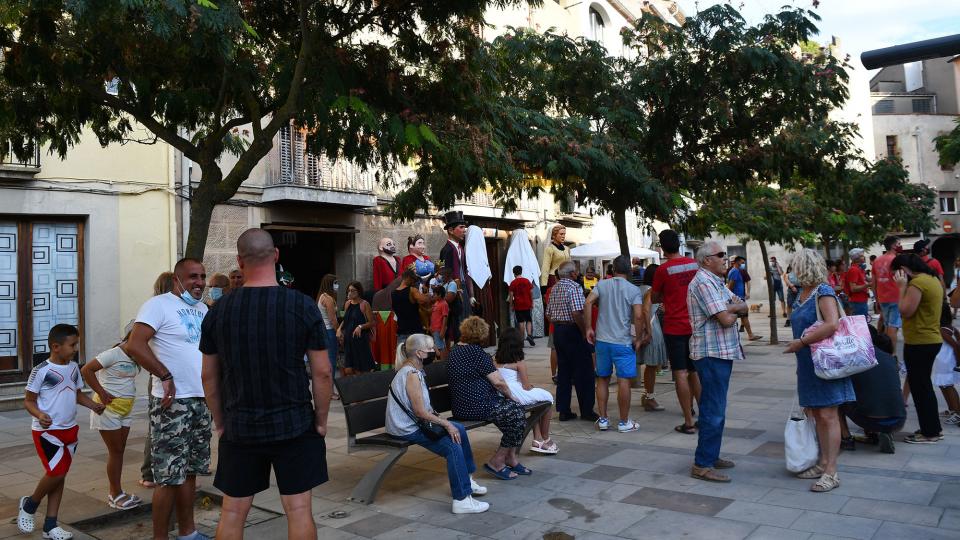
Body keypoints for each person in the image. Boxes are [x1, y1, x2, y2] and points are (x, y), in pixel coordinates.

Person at [200, 228, 332, 539]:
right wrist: (322, 421)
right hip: (295, 423)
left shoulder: (219, 311)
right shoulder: (302, 306)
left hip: (240, 424)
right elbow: (323, 372)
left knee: (233, 511)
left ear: (239, 261)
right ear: (276, 256)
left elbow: (208, 376)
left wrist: (220, 422)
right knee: (299, 510)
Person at [127, 258, 212, 540]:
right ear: (177, 279)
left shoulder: (203, 309)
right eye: (192, 277)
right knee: (167, 476)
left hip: (200, 400)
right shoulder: (158, 305)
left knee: (190, 471)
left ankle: (188, 532)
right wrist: (164, 375)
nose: (199, 282)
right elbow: (135, 344)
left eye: (202, 276)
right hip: (171, 404)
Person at [18, 324, 105, 539]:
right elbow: (28, 401)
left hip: (70, 430)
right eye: (72, 345)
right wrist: (39, 415)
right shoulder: (41, 371)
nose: (75, 348)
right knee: (56, 472)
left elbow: (76, 394)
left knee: (60, 475)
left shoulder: (74, 368)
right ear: (56, 347)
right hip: (47, 432)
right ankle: (29, 505)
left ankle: (50, 525)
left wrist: (93, 405)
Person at [387, 334, 489, 513]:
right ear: (419, 353)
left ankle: (467, 479)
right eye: (431, 348)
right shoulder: (410, 374)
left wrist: (444, 421)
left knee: (459, 430)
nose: (435, 351)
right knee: (453, 445)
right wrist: (445, 424)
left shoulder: (415, 370)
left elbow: (421, 409)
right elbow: (419, 412)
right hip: (406, 428)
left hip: (413, 423)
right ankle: (462, 499)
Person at [783, 249, 854, 492]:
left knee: (828, 415)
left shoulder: (823, 291)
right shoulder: (801, 294)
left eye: (795, 267)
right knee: (817, 414)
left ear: (804, 267)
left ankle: (831, 472)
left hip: (826, 361)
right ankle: (823, 462)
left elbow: (832, 324)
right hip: (808, 363)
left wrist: (802, 343)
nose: (791, 272)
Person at [687, 241, 745, 483]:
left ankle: (711, 455)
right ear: (706, 260)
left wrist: (732, 307)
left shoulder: (715, 281)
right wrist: (732, 309)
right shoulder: (702, 282)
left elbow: (743, 305)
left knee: (717, 407)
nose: (725, 258)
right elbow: (726, 319)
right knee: (713, 409)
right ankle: (702, 464)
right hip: (711, 354)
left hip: (721, 352)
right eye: (720, 255)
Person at [448, 317, 529, 480]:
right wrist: (513, 398)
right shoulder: (476, 353)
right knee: (518, 413)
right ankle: (498, 461)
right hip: (477, 405)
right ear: (481, 335)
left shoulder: (455, 350)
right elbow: (499, 383)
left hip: (461, 406)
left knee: (513, 415)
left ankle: (511, 458)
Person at [80, 322, 143, 510]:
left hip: (125, 409)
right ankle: (114, 495)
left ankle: (119, 492)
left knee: (120, 450)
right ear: (131, 337)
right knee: (115, 452)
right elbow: (86, 370)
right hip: (108, 410)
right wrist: (102, 392)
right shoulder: (113, 354)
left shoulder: (137, 355)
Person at [585, 255, 643, 433]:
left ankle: (603, 419)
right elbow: (639, 316)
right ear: (628, 270)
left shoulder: (602, 284)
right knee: (623, 380)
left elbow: (588, 302)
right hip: (623, 342)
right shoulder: (633, 290)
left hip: (602, 340)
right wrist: (638, 338)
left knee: (602, 378)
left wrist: (588, 328)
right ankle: (624, 422)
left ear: (613, 269)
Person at [652, 229, 702, 435]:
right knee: (695, 371)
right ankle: (704, 416)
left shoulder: (663, 270)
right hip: (695, 325)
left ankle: (688, 421)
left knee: (680, 372)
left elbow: (655, 297)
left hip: (674, 326)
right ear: (679, 244)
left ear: (662, 247)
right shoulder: (695, 265)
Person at [892, 253, 944, 444]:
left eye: (896, 273)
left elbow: (905, 310)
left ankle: (930, 432)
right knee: (923, 386)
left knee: (921, 388)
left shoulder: (917, 283)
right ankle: (933, 428)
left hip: (920, 341)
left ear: (903, 270)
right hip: (928, 339)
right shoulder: (932, 279)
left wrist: (901, 288)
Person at [839, 325, 906, 454]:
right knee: (874, 392)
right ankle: (878, 433)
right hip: (899, 419)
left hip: (870, 419)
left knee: (837, 398)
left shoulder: (854, 357)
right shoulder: (889, 357)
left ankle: (846, 438)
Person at [546, 262, 598, 422]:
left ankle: (564, 410)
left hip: (559, 331)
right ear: (573, 274)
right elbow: (577, 312)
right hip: (572, 330)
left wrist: (558, 323)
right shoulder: (574, 288)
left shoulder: (555, 288)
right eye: (576, 271)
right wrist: (584, 332)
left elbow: (548, 313)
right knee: (584, 371)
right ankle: (587, 410)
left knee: (564, 371)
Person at [495, 328, 557, 454]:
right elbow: (526, 386)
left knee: (536, 401)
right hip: (516, 393)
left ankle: (537, 439)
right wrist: (532, 387)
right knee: (548, 398)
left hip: (502, 393)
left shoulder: (495, 360)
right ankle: (545, 438)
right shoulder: (519, 362)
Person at [140, 271, 175, 490]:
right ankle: (150, 472)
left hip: (169, 378)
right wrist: (162, 373)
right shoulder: (155, 307)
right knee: (158, 427)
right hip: (162, 378)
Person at [637, 263, 667, 412]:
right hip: (652, 329)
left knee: (649, 366)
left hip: (639, 329)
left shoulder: (639, 289)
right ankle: (650, 397)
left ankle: (647, 396)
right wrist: (649, 332)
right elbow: (646, 310)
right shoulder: (651, 290)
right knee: (652, 366)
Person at [439, 211, 473, 321]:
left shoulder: (461, 248)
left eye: (465, 227)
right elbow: (444, 275)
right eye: (461, 227)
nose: (464, 230)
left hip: (464, 289)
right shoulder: (446, 250)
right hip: (453, 292)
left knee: (466, 320)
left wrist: (471, 294)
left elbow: (465, 271)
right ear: (450, 230)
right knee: (457, 323)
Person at [338, 281, 376, 375]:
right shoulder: (347, 304)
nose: (349, 293)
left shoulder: (364, 304)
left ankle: (362, 388)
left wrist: (360, 326)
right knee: (348, 370)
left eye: (352, 290)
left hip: (360, 341)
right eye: (348, 291)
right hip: (349, 341)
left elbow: (372, 322)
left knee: (360, 370)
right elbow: (346, 319)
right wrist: (339, 329)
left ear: (358, 291)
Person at [873, 236, 902, 350]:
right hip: (895, 298)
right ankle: (892, 354)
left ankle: (886, 352)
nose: (900, 246)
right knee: (893, 326)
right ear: (893, 246)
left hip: (882, 298)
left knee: (887, 325)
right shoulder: (896, 260)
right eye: (898, 243)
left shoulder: (876, 260)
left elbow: (874, 283)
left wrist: (876, 300)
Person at [934, 306, 960, 425]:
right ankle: (952, 409)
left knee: (948, 386)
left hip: (946, 361)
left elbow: (955, 345)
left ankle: (957, 413)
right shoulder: (952, 328)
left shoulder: (942, 330)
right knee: (943, 385)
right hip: (944, 360)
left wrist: (958, 361)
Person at [393, 266, 432, 345]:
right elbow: (424, 300)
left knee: (402, 356)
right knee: (417, 356)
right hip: (414, 331)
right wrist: (428, 295)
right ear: (408, 278)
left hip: (401, 331)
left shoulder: (393, 293)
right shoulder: (412, 290)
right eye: (413, 280)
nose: (413, 283)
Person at [316, 274, 340, 396]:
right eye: (335, 282)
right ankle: (330, 391)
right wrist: (339, 332)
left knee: (327, 362)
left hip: (323, 330)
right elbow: (333, 320)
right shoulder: (329, 299)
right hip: (330, 331)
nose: (337, 285)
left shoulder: (321, 297)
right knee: (331, 362)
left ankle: (327, 390)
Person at [727, 257, 761, 341]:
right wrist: (731, 297)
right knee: (741, 316)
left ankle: (750, 335)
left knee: (744, 316)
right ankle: (748, 335)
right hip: (737, 299)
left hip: (739, 297)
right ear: (737, 262)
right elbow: (731, 285)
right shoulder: (734, 271)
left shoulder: (737, 271)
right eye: (742, 262)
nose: (743, 264)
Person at [508, 265, 536, 347]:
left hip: (518, 305)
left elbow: (511, 295)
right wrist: (532, 302)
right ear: (521, 272)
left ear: (514, 273)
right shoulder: (527, 281)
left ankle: (522, 339)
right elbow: (531, 292)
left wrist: (511, 305)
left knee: (521, 322)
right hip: (527, 304)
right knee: (529, 320)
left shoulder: (513, 283)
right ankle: (530, 335)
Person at [539, 225, 570, 291]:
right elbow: (545, 267)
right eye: (561, 234)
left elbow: (570, 264)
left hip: (566, 278)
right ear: (554, 235)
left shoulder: (567, 249)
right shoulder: (550, 249)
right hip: (554, 278)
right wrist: (544, 285)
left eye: (564, 234)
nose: (563, 236)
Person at [845, 248, 870, 317]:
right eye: (862, 256)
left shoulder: (859, 269)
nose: (864, 257)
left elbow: (868, 279)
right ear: (856, 258)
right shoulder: (854, 270)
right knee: (860, 323)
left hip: (861, 300)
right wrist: (868, 285)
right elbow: (853, 288)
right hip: (857, 301)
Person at [431, 284, 450, 361]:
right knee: (439, 345)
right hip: (434, 328)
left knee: (440, 347)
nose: (433, 295)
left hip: (439, 329)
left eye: (435, 294)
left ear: (440, 295)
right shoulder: (436, 303)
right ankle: (442, 361)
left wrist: (442, 330)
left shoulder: (444, 304)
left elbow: (445, 317)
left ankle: (443, 363)